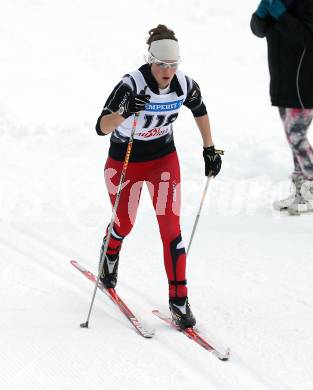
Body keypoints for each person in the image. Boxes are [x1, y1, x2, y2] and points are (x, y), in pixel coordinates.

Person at [95, 25, 222, 328]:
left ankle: (179, 300)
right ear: (150, 60)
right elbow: (101, 127)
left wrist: (209, 149)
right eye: (162, 65)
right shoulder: (131, 85)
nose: (167, 71)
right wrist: (124, 113)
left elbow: (200, 110)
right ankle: (109, 252)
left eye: (173, 64)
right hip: (124, 161)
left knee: (170, 228)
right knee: (124, 222)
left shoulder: (185, 84)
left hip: (163, 160)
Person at [250, 0, 313, 215]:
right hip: (282, 81)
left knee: (296, 135)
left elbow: (307, 37)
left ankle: (311, 185)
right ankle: (300, 191)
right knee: (292, 139)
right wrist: (260, 16)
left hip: (304, 82)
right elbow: (258, 31)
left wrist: (282, 15)